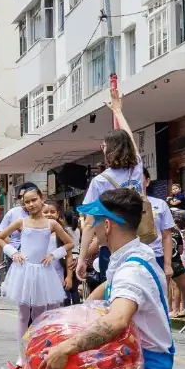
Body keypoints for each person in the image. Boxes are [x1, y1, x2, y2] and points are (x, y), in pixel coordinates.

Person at [33, 188, 178, 369]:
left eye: (95, 222)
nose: (93, 228)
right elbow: (106, 292)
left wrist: (66, 347)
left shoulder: (133, 269)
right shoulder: (128, 256)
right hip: (123, 356)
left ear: (108, 225)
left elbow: (118, 320)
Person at [0, 186, 74, 360]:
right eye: (27, 202)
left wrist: (54, 255)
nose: (31, 204)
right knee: (23, 315)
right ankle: (21, 355)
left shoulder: (51, 224)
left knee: (39, 315)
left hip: (43, 272)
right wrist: (13, 252)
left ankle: (35, 352)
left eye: (33, 200)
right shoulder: (21, 222)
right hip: (24, 271)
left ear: (41, 198)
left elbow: (69, 243)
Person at [76, 83, 141, 286]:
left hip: (112, 245)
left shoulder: (100, 181)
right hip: (139, 239)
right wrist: (118, 111)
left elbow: (88, 223)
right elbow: (130, 138)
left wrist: (81, 257)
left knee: (114, 289)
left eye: (104, 146)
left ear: (109, 150)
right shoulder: (137, 167)